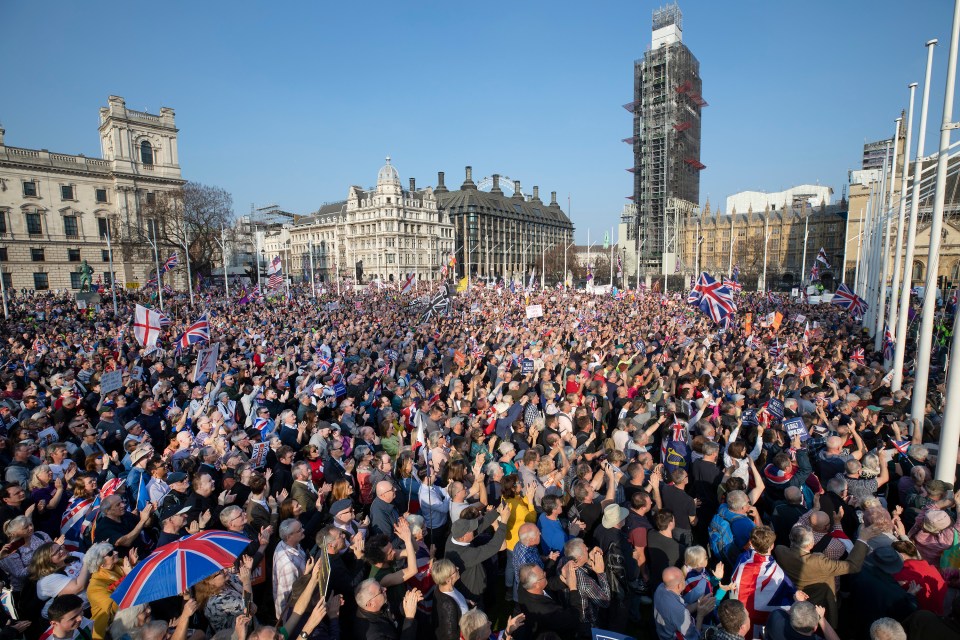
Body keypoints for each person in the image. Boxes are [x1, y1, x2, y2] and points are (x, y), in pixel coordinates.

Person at [443, 503, 510, 605]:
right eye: (471, 530)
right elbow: (493, 546)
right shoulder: (465, 555)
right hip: (472, 594)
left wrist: (497, 511)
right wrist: (504, 522)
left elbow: (481, 524)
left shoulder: (454, 536)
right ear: (463, 537)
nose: (474, 531)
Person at [84, 543, 133, 640]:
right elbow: (114, 608)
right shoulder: (94, 587)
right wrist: (128, 578)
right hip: (112, 629)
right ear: (101, 564)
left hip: (130, 614)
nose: (116, 552)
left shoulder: (117, 563)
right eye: (110, 553)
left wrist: (133, 563)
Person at [28, 541, 90, 619]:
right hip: (72, 616)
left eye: (60, 547)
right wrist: (88, 561)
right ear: (47, 560)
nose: (61, 551)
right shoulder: (47, 580)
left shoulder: (73, 556)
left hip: (93, 600)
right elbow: (79, 586)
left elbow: (94, 561)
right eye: (56, 552)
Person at [653, 566, 715, 640]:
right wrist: (700, 615)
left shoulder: (660, 587)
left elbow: (681, 609)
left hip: (662, 630)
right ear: (679, 586)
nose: (685, 579)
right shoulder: (680, 612)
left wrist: (699, 603)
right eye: (683, 578)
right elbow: (694, 637)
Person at [352, 578, 421, 640]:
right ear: (371, 604)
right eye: (380, 591)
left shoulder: (377, 606)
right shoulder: (373, 635)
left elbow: (393, 609)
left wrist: (407, 602)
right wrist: (409, 618)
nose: (385, 589)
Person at [273, 518, 310, 619]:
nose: (303, 530)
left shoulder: (286, 544)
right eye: (299, 530)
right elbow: (289, 597)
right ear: (289, 536)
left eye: (301, 527)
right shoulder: (288, 565)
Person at [431, 559, 467, 640]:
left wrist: (466, 601)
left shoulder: (441, 587)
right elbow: (451, 636)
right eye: (455, 570)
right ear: (448, 580)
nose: (458, 568)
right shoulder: (448, 606)